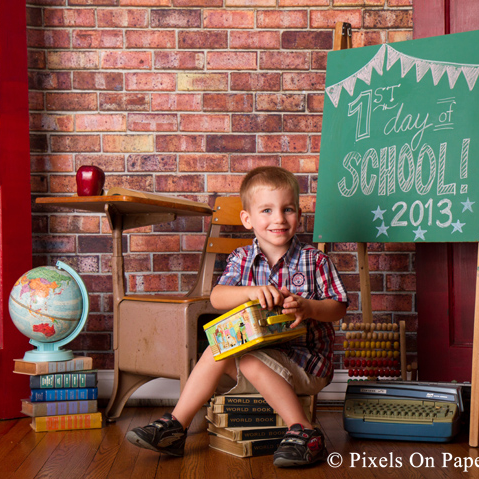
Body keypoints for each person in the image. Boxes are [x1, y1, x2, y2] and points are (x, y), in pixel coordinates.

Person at [127, 166, 348, 467]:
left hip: (305, 363)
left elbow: (339, 307)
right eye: (267, 210)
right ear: (248, 219)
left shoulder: (314, 261)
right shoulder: (241, 259)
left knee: (246, 358)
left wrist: (308, 307)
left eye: (288, 209)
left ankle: (305, 431)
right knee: (217, 348)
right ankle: (175, 427)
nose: (279, 219)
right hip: (259, 360)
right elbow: (217, 297)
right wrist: (250, 291)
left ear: (299, 215)